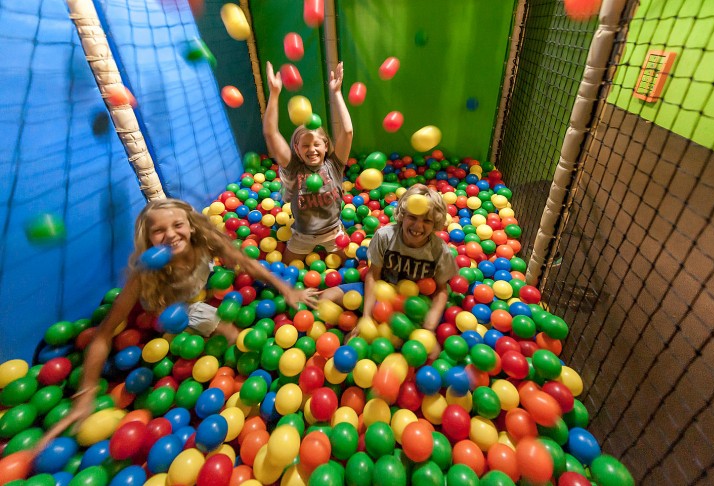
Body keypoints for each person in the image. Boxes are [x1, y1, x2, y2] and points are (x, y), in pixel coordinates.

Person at [37, 198, 318, 447]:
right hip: (173, 309)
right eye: (158, 231)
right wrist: (86, 392)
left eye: (177, 225)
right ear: (148, 239)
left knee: (229, 316)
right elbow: (103, 333)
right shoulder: (144, 274)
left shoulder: (205, 240)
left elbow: (247, 263)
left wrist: (287, 289)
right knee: (229, 332)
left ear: (191, 225)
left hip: (202, 286)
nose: (170, 235)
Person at [322, 184, 458, 338]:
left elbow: (441, 289)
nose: (418, 226)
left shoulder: (439, 250)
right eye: (412, 217)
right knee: (326, 297)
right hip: (381, 295)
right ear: (402, 215)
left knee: (424, 344)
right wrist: (367, 317)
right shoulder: (384, 236)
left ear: (435, 223)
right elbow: (373, 275)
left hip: (414, 305)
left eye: (427, 221)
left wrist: (429, 327)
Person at [263, 60, 353, 264]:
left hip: (333, 232)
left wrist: (337, 93)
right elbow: (270, 133)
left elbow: (347, 132)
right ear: (296, 149)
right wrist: (274, 94)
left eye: (316, 144)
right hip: (302, 236)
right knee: (287, 275)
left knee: (349, 268)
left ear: (325, 145)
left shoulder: (334, 165)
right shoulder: (294, 168)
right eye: (305, 146)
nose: (311, 149)